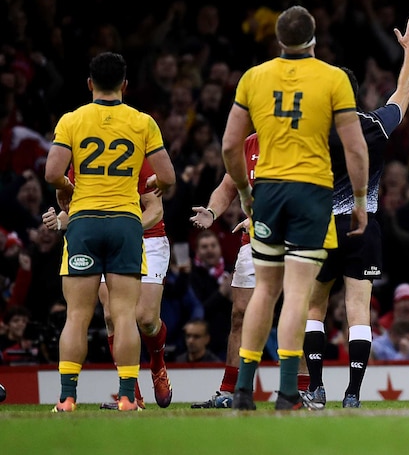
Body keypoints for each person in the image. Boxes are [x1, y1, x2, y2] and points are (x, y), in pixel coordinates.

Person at [220, 5, 369, 411]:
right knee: (298, 294)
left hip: (268, 191)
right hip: (312, 194)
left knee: (263, 291)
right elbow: (355, 147)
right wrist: (358, 200)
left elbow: (231, 145)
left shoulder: (254, 78)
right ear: (314, 38)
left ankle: (244, 392)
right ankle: (287, 393)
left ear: (279, 40)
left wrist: (246, 195)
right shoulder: (333, 78)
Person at [302, 13, 409, 409]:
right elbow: (404, 91)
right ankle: (352, 394)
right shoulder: (374, 125)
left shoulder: (314, 130)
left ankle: (316, 388)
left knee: (314, 306)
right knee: (358, 309)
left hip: (321, 227)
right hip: (364, 224)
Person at [43, 52, 175, 412]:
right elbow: (169, 178)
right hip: (125, 224)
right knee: (124, 312)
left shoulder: (72, 119)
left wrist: (70, 190)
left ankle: (68, 398)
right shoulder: (142, 121)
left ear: (89, 84)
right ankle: (129, 398)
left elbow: (52, 171)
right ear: (125, 85)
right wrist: (150, 179)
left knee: (77, 316)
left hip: (84, 223)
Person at [42, 157, 174, 410]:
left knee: (146, 318)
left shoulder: (135, 155)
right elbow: (75, 211)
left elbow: (155, 210)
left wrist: (126, 228)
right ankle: (131, 394)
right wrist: (59, 221)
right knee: (114, 314)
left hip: (147, 237)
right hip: (105, 240)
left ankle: (157, 364)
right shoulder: (82, 158)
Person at [188, 132, 259, 409]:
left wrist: (268, 219)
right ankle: (230, 391)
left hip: (293, 238)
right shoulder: (249, 145)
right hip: (254, 241)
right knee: (239, 315)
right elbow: (228, 185)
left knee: (297, 312)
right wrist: (211, 211)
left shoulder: (296, 139)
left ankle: (305, 388)